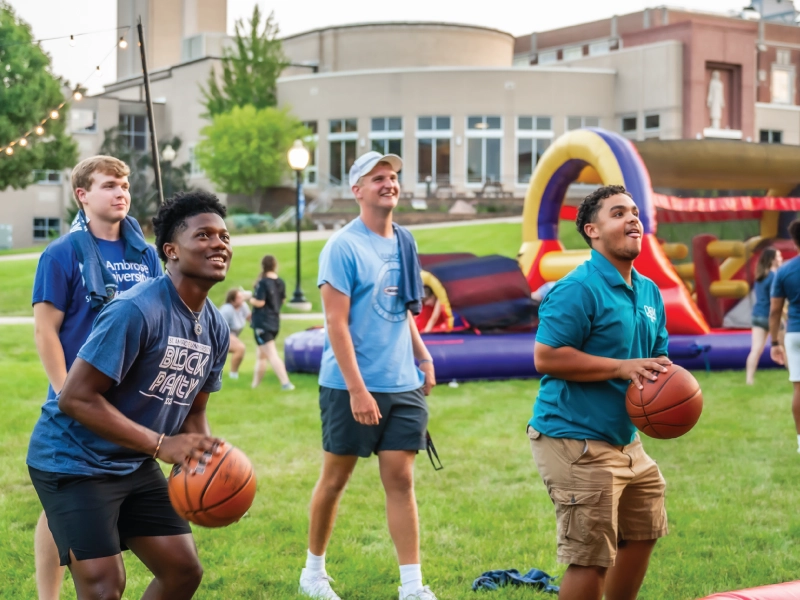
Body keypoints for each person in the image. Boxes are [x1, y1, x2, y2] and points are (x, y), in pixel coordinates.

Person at [26, 191, 232, 600]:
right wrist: (160, 445)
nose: (219, 244)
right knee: (105, 586)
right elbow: (74, 398)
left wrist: (202, 461)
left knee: (183, 571)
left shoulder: (215, 326)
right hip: (73, 460)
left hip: (131, 462)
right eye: (204, 235)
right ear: (171, 251)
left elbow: (194, 409)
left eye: (224, 236)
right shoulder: (136, 310)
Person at [298, 151, 437, 600]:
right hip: (349, 386)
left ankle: (412, 586)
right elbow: (335, 323)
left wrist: (424, 356)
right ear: (357, 190)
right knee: (335, 479)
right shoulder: (343, 246)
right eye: (377, 178)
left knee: (401, 480)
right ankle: (313, 573)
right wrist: (358, 390)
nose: (388, 183)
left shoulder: (404, 241)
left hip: (402, 382)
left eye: (393, 177)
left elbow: (403, 309)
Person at [529, 184, 672, 600]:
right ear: (592, 230)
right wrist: (621, 367)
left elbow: (657, 360)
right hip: (574, 437)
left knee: (643, 532)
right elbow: (546, 357)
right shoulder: (578, 288)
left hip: (627, 439)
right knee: (591, 556)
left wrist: (669, 392)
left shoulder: (649, 291)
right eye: (618, 213)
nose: (633, 219)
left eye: (635, 213)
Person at [30, 155, 162, 600]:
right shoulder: (61, 254)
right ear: (83, 195)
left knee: (63, 508)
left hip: (129, 399)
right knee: (62, 502)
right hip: (81, 396)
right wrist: (67, 390)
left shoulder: (145, 254)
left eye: (124, 184)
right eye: (109, 185)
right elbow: (46, 328)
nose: (121, 192)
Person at [769, 220, 800, 454]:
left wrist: (775, 342)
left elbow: (775, 311)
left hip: (794, 334)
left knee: (798, 389)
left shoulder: (784, 271)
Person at [249, 254, 294, 390]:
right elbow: (283, 300)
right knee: (261, 355)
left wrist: (249, 298)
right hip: (274, 321)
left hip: (263, 323)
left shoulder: (263, 282)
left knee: (271, 354)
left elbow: (260, 302)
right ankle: (255, 386)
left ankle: (286, 383)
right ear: (275, 265)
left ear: (263, 266)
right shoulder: (280, 282)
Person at [746, 247, 782, 385]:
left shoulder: (760, 276)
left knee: (755, 350)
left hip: (757, 315)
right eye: (778, 256)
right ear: (772, 260)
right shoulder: (774, 276)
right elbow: (775, 301)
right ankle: (795, 377)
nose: (781, 258)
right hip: (770, 316)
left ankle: (749, 380)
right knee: (786, 347)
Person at [220, 288, 252, 379]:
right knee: (240, 348)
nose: (242, 299)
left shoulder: (243, 306)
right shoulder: (226, 310)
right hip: (222, 335)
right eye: (239, 297)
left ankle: (232, 375)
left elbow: (250, 318)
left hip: (232, 335)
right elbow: (219, 328)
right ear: (232, 300)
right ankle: (233, 375)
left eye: (242, 296)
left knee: (240, 348)